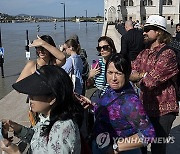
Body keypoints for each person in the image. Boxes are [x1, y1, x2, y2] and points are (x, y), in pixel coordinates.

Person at [79, 53, 155, 154]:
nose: (113, 78)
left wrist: (116, 147)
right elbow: (113, 110)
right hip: (101, 144)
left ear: (127, 74)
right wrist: (93, 106)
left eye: (118, 73)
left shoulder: (130, 101)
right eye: (110, 72)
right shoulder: (111, 89)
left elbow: (149, 134)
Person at [0, 65, 83, 154]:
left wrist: (16, 152)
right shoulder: (47, 117)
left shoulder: (62, 129)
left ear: (51, 99)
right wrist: (18, 128)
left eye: (34, 94)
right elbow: (38, 139)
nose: (29, 97)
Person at [131, 15, 179, 154]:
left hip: (163, 110)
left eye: (147, 29)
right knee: (141, 145)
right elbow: (131, 72)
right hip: (144, 107)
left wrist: (139, 76)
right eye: (144, 29)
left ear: (158, 31)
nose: (143, 32)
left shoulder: (168, 54)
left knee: (158, 147)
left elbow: (149, 83)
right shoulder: (144, 53)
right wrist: (142, 75)